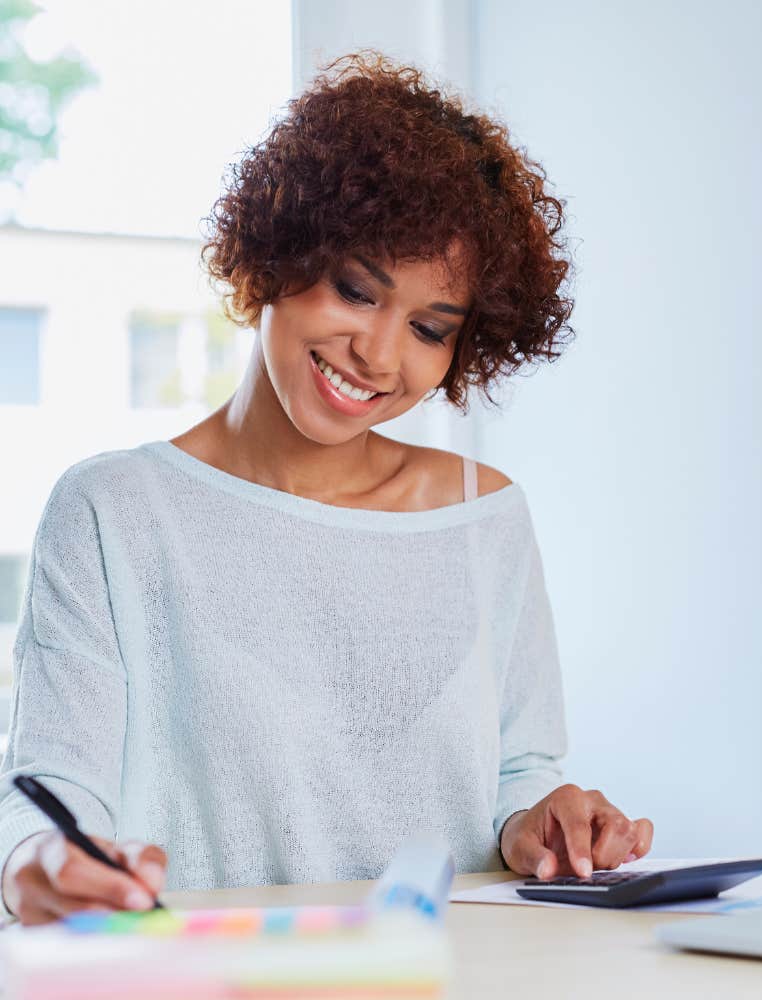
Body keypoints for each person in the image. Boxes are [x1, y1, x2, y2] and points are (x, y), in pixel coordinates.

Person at [0, 52, 653, 925]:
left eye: (429, 328)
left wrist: (547, 821)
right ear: (276, 254)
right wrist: (44, 862)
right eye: (355, 290)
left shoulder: (483, 518)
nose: (379, 356)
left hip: (452, 977)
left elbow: (516, 777)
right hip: (210, 975)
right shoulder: (114, 512)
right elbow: (51, 788)